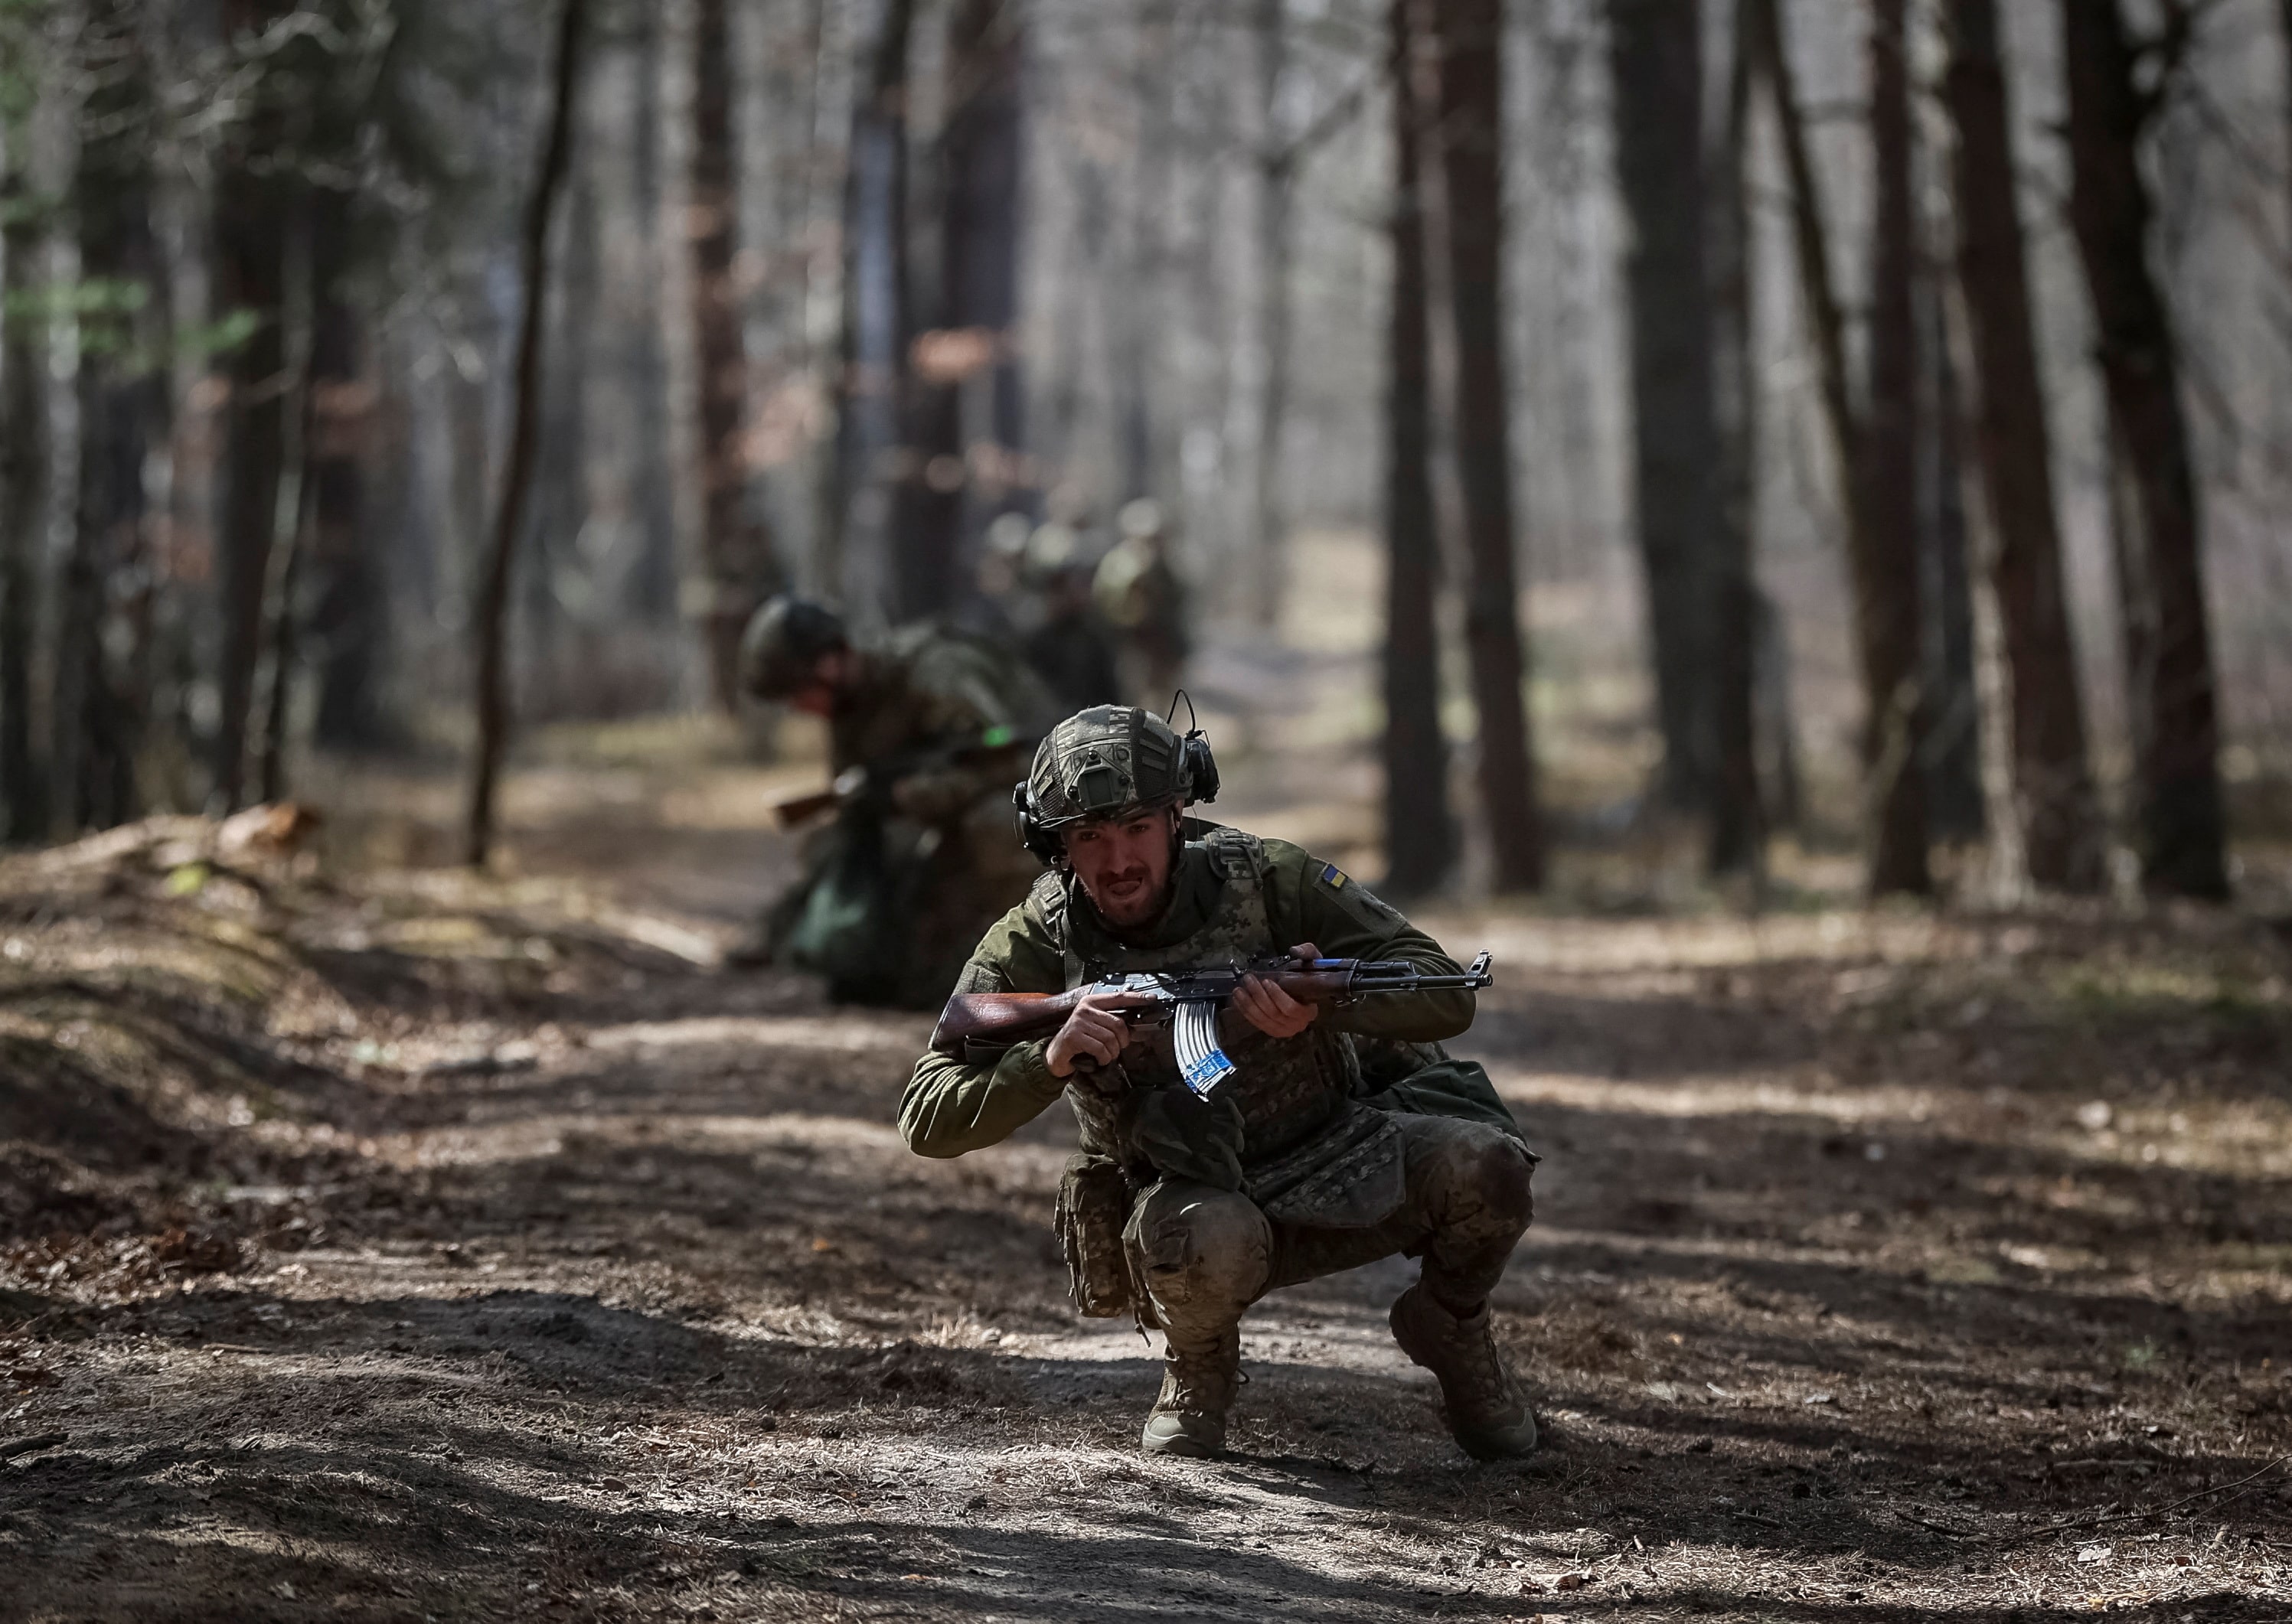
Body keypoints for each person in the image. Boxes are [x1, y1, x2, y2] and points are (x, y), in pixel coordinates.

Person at [900, 705, 1539, 1459]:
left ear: (1178, 815)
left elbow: (1445, 992)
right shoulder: (1041, 936)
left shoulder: (1270, 879)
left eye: (1137, 827)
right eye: (1089, 837)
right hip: (1195, 1199)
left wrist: (1321, 1005)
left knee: (1491, 1170)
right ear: (1058, 845)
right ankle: (1198, 1365)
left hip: (1339, 1146)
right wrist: (1047, 1059)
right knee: (1191, 1235)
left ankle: (1451, 1323)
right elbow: (925, 1116)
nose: (1117, 861)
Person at [736, 595, 1058, 1009]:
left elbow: (1011, 763)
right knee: (839, 849)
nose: (798, 709)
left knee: (997, 824)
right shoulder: (851, 710)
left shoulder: (935, 673)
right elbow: (853, 803)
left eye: (796, 693)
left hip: (1029, 802)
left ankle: (1042, 952)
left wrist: (910, 796)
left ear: (828, 663)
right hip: (935, 820)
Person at [1093, 500, 1191, 704]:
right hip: (1131, 644)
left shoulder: (1167, 564)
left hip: (1162, 647)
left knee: (1163, 704)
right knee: (1131, 700)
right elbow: (1107, 604)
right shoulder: (1118, 563)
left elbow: (1178, 602)